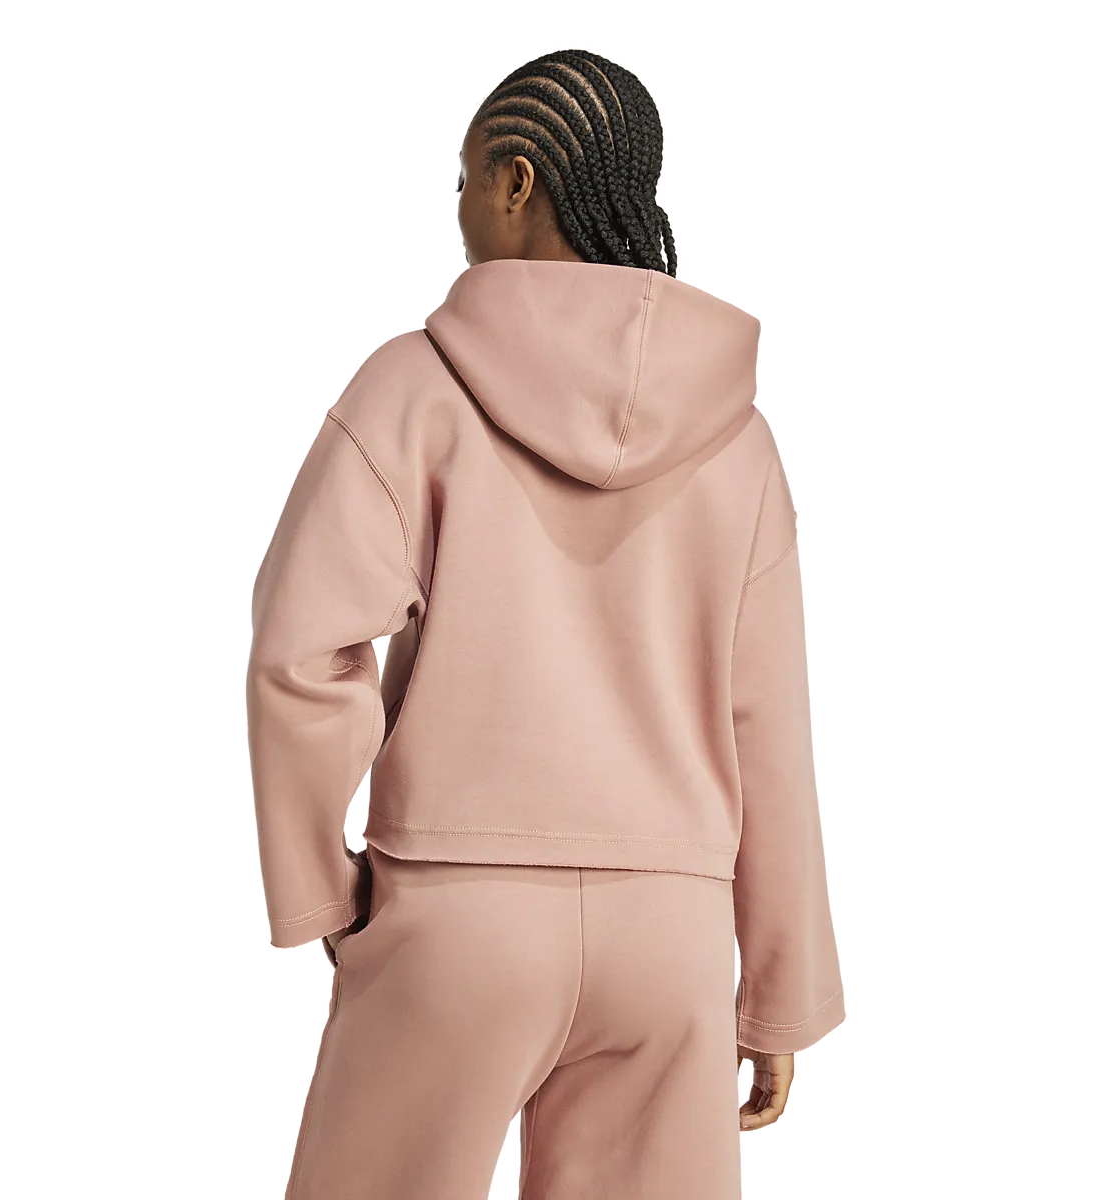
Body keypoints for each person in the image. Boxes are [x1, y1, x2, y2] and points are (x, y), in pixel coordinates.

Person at [245, 45, 845, 1200]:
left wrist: (320, 884)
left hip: (457, 912)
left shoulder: (414, 386)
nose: (460, 199)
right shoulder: (738, 437)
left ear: (515, 183)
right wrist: (782, 993)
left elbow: (302, 651)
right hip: (670, 932)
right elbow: (770, 727)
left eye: (468, 174)